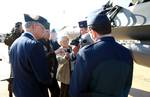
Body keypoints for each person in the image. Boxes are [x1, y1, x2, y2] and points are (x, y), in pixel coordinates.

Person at [69, 14, 133, 97]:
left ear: (92, 31)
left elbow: (75, 91)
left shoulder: (86, 53)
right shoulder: (126, 52)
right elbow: (127, 85)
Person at [9, 14, 52, 97]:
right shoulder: (35, 45)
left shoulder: (15, 43)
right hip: (34, 92)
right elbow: (43, 77)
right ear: (34, 26)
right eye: (42, 28)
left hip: (20, 92)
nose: (44, 31)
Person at [3, 22, 24, 97]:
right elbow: (6, 41)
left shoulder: (23, 34)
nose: (19, 28)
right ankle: (10, 92)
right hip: (14, 60)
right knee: (12, 77)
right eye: (18, 27)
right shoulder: (12, 34)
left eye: (20, 27)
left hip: (22, 59)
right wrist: (14, 33)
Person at [39, 25, 60, 97]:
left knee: (57, 92)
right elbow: (41, 58)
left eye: (49, 32)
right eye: (47, 32)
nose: (49, 34)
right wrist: (54, 52)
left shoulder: (48, 41)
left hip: (52, 73)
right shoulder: (38, 43)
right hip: (45, 74)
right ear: (42, 32)